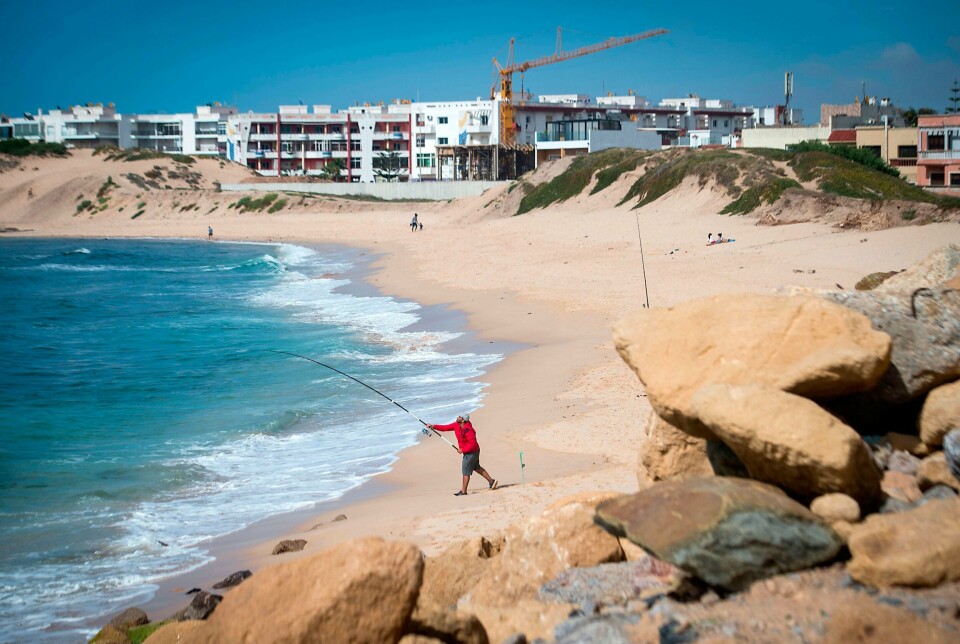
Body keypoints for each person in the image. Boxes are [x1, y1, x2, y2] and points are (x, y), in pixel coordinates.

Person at [426, 413, 498, 496]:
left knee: (465, 470)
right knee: (476, 467)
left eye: (460, 417)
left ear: (463, 420)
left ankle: (463, 491)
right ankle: (491, 481)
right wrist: (433, 426)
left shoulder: (469, 430)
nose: (458, 417)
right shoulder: (456, 425)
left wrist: (463, 449)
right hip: (471, 451)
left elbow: (473, 444)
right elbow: (445, 428)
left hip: (472, 452)